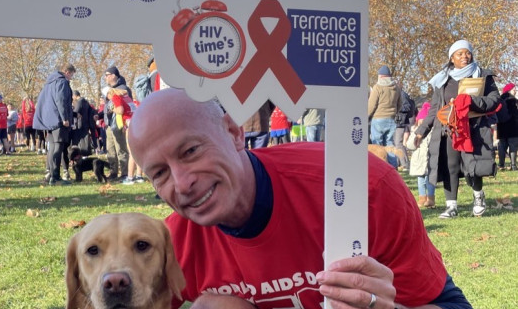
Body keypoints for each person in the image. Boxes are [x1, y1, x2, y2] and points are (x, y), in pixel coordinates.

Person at [127, 89, 471, 309]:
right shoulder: (168, 244)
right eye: (159, 173)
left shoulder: (361, 186)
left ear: (234, 133)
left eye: (190, 151)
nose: (182, 183)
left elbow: (450, 304)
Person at [414, 40, 501, 219]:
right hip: (448, 129)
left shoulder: (483, 76)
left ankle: (478, 196)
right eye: (459, 54)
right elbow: (435, 109)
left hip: (474, 129)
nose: (464, 57)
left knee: (472, 165)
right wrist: (421, 130)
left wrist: (472, 102)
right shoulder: (443, 79)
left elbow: (494, 99)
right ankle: (451, 206)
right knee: (449, 166)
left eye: (467, 53)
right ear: (451, 58)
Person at [33, 64, 75, 186]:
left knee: (52, 147)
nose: (71, 78)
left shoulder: (49, 83)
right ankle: (55, 177)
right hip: (58, 120)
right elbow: (60, 100)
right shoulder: (62, 82)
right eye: (71, 75)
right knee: (58, 147)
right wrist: (65, 118)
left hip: (49, 119)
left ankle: (51, 174)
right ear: (66, 72)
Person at [103, 66, 131, 181]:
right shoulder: (108, 90)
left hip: (119, 123)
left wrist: (125, 123)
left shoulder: (123, 89)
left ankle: (124, 173)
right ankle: (113, 172)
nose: (105, 77)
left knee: (121, 148)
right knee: (111, 149)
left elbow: (127, 107)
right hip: (109, 124)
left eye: (107, 75)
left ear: (114, 75)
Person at [407, 102, 436, 208]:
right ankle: (422, 197)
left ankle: (431, 198)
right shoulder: (414, 131)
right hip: (419, 161)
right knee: (420, 180)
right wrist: (414, 138)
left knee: (430, 180)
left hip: (429, 160)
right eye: (421, 120)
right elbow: (409, 145)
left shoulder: (432, 132)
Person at [368, 65, 402, 146]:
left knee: (377, 145)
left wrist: (367, 116)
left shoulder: (377, 87)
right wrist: (394, 113)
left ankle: (379, 159)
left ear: (380, 76)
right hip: (391, 119)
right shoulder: (396, 88)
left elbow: (371, 105)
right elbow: (400, 103)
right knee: (389, 144)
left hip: (378, 119)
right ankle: (392, 159)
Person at [496, 83, 518, 171]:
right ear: (509, 90)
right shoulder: (513, 100)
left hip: (501, 126)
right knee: (513, 146)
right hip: (513, 126)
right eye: (514, 89)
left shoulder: (499, 100)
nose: (515, 90)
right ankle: (513, 166)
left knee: (502, 145)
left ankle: (501, 165)